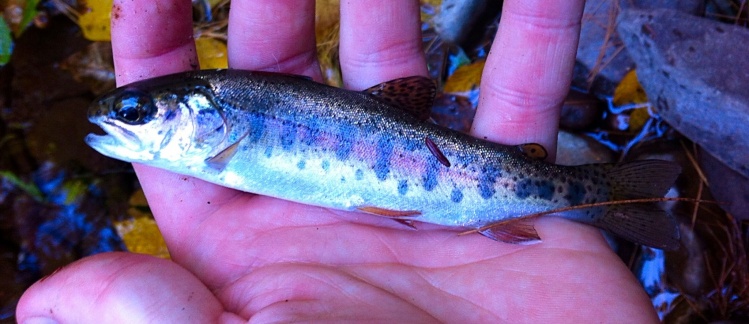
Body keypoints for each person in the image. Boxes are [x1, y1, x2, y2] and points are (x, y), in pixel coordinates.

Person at [17, 0, 659, 322]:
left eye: (135, 115)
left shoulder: (226, 135)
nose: (115, 124)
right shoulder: (219, 141)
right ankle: (600, 193)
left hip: (456, 172)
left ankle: (600, 192)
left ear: (200, 116)